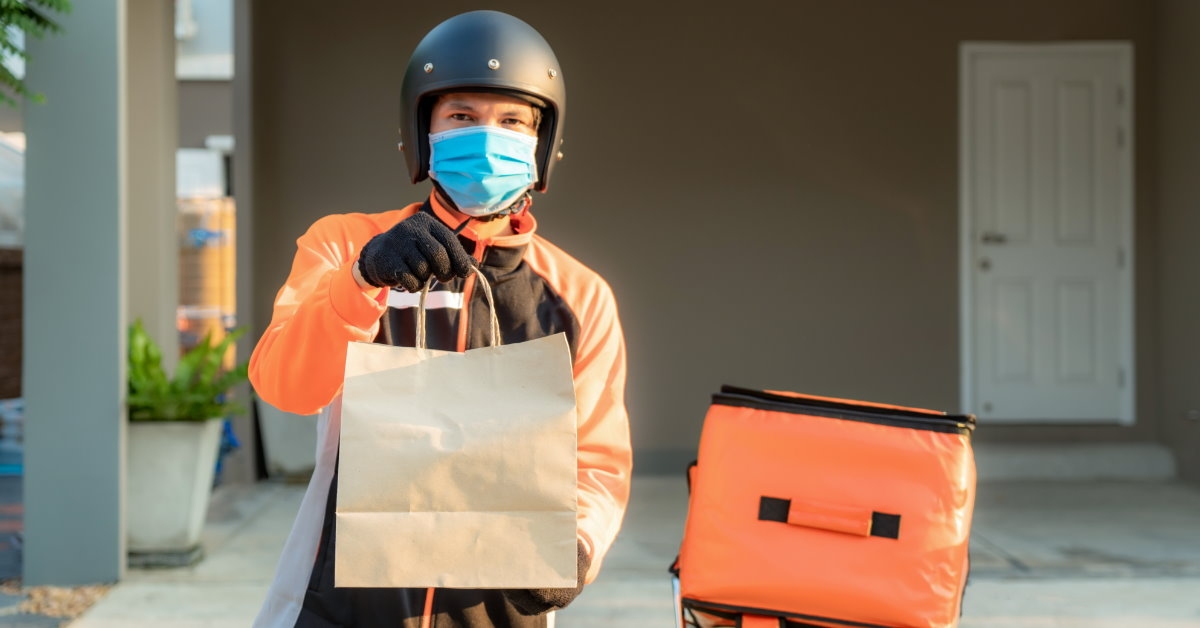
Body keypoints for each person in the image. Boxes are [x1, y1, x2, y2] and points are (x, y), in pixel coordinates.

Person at [248, 10, 632, 628]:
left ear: (542, 144)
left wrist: (578, 547)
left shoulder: (579, 297)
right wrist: (362, 282)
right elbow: (284, 385)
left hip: (498, 612)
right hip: (344, 604)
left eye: (511, 121)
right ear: (421, 132)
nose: (487, 136)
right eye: (462, 116)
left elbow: (597, 461)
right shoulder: (345, 245)